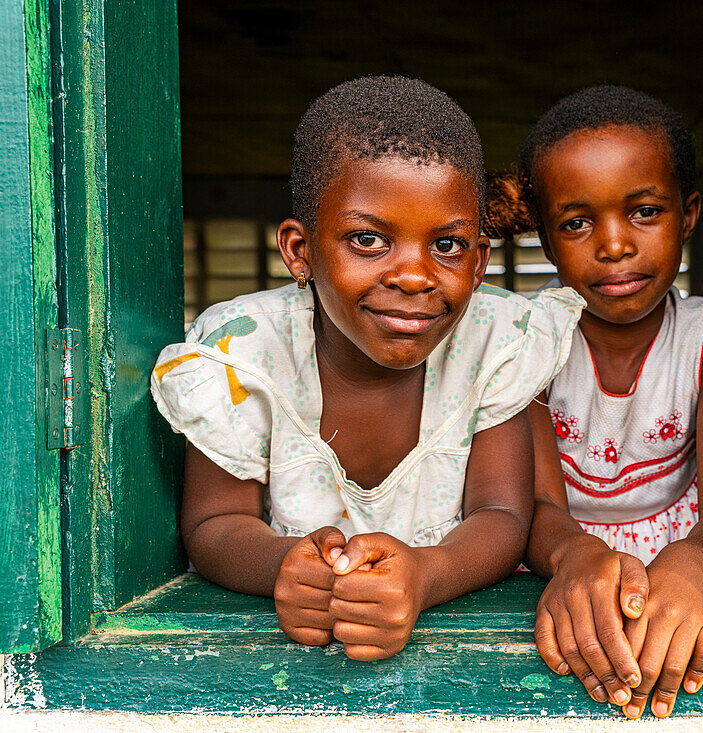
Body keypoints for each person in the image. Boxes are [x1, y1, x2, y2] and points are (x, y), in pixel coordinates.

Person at [150, 76, 583, 662]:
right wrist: (284, 566)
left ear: (481, 261)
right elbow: (216, 521)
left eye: (448, 246)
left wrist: (427, 574)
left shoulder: (493, 342)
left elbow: (501, 515)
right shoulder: (245, 355)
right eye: (367, 240)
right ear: (300, 252)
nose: (413, 275)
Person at [490, 85, 703, 718]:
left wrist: (694, 562)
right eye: (577, 223)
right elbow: (537, 506)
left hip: (689, 549)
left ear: (688, 214)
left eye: (644, 211)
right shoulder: (526, 341)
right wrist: (574, 557)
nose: (613, 245)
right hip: (561, 554)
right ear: (548, 242)